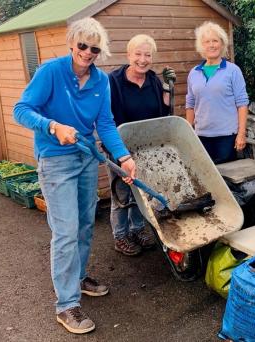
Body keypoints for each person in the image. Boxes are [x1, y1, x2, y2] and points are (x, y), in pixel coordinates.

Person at [13, 18, 136, 335]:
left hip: (85, 159)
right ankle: (66, 305)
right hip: (55, 160)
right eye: (82, 45)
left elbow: (106, 124)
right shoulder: (52, 71)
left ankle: (78, 278)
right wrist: (52, 126)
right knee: (66, 230)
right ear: (72, 43)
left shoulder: (101, 81)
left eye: (94, 48)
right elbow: (22, 109)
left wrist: (124, 156)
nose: (87, 52)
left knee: (84, 224)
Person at [107, 34, 176, 256]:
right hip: (119, 147)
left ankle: (137, 229)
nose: (143, 59)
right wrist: (120, 154)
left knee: (140, 193)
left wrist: (168, 88)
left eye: (147, 55)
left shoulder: (154, 80)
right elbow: (107, 118)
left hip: (146, 148)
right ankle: (120, 236)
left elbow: (163, 113)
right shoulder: (114, 81)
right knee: (121, 195)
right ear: (129, 55)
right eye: (138, 54)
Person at [185, 21, 249, 164]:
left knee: (226, 177)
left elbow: (242, 103)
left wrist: (241, 134)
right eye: (207, 41)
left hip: (226, 137)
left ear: (222, 44)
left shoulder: (233, 71)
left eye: (215, 41)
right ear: (202, 46)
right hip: (200, 136)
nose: (211, 45)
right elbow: (190, 104)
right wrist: (189, 133)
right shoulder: (194, 73)